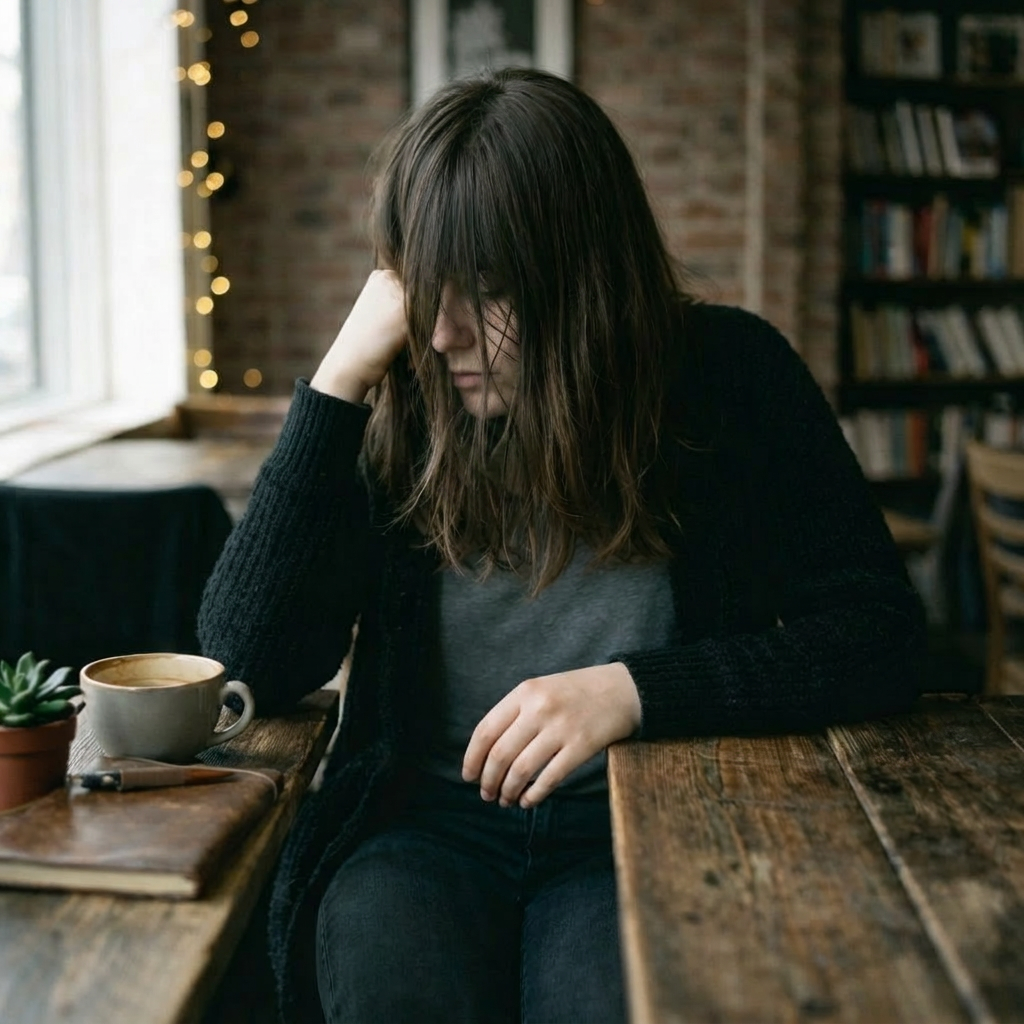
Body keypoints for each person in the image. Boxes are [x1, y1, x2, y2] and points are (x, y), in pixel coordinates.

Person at [198, 67, 926, 1024]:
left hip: (642, 821)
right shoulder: (407, 396)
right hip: (424, 829)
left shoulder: (732, 376)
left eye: (489, 291)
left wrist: (632, 691)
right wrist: (334, 388)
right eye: (428, 290)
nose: (447, 333)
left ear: (585, 280)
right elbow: (246, 661)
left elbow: (881, 635)